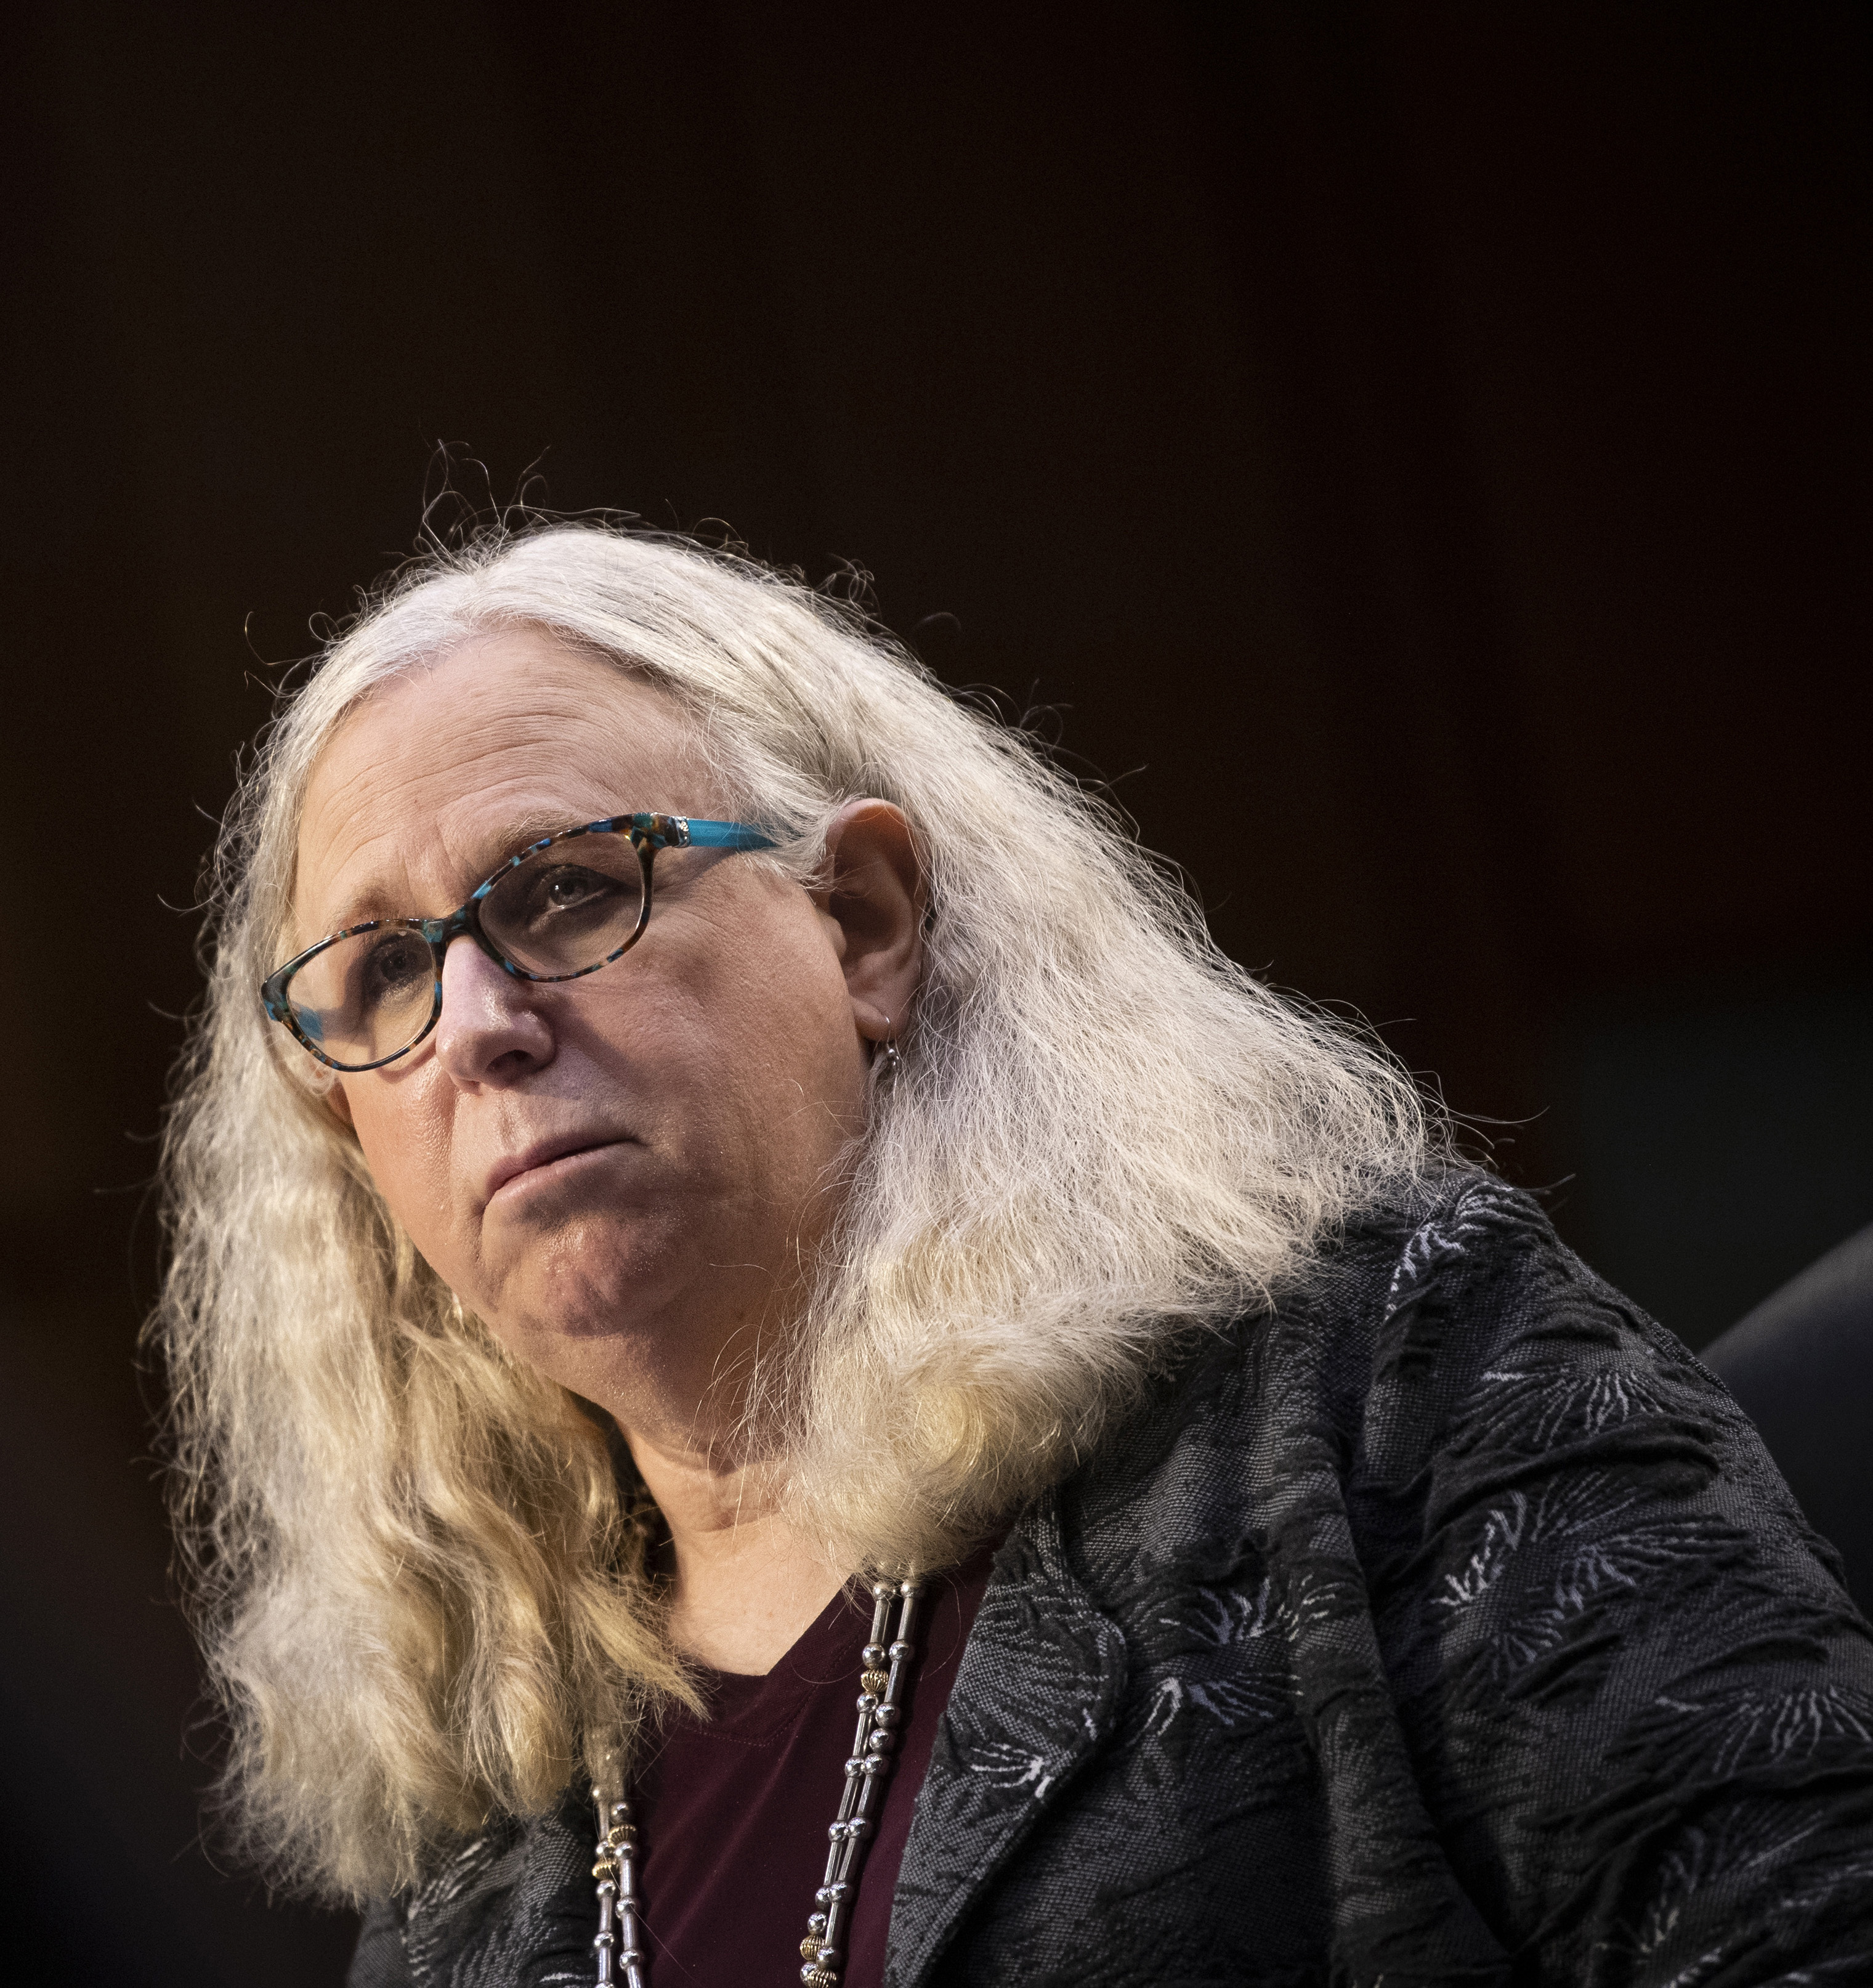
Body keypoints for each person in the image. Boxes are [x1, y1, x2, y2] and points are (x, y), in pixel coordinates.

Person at [152, 525, 1873, 1986]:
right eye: (377, 973)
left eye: (564, 889)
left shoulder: (1371, 1378)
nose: (473, 1024)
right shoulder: (478, 1843)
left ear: (863, 924)